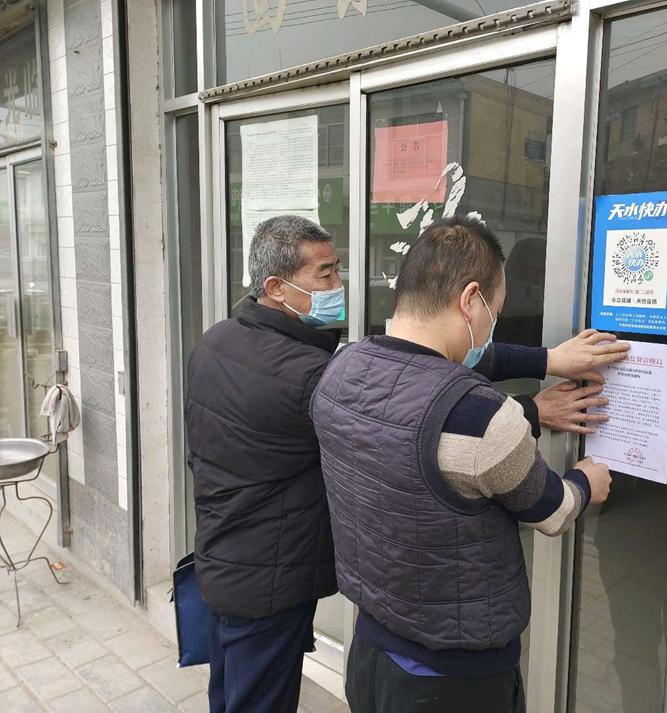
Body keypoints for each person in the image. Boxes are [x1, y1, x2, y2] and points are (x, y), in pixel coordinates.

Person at [312, 214, 625, 713]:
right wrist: (588, 479)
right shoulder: (482, 417)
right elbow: (552, 510)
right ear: (470, 300)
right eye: (494, 312)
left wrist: (548, 360)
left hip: (371, 653)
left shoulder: (342, 368)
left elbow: (444, 374)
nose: (491, 325)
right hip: (454, 682)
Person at [185, 215, 346, 713]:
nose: (338, 285)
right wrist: (528, 411)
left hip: (222, 558)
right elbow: (404, 409)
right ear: (276, 287)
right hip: (270, 581)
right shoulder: (306, 375)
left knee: (230, 693)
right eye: (325, 273)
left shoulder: (215, 340)